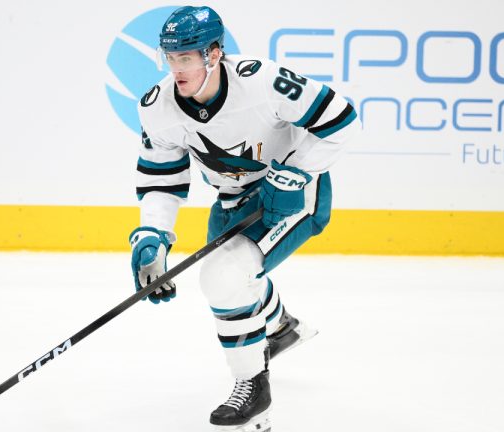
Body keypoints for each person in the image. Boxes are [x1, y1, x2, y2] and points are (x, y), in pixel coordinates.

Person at [128, 5, 361, 431]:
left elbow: (340, 117)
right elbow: (161, 179)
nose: (176, 69)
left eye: (186, 58)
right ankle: (281, 327)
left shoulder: (263, 81)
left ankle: (253, 392)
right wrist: (152, 236)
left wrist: (295, 172)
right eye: (170, 58)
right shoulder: (157, 107)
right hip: (234, 200)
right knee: (236, 276)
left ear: (214, 54)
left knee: (222, 277)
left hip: (294, 196)